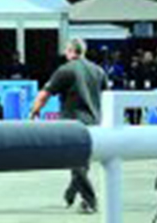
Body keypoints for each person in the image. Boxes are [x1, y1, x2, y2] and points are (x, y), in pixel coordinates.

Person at [28, 39, 108, 213]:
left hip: (72, 121)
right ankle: (70, 194)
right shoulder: (99, 71)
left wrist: (34, 111)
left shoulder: (65, 70)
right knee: (82, 161)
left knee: (76, 162)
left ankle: (90, 200)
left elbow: (44, 95)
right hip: (94, 121)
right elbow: (106, 96)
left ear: (70, 51)